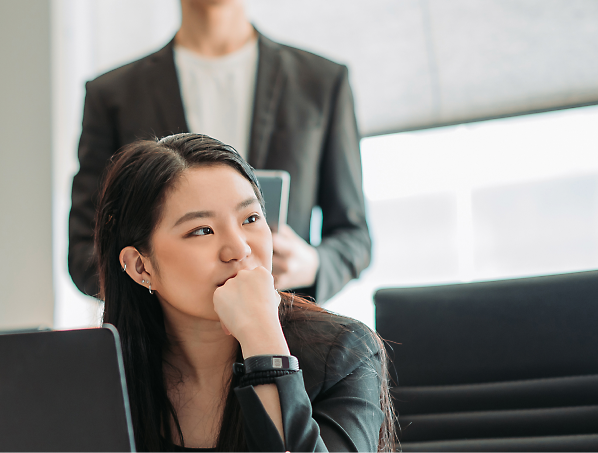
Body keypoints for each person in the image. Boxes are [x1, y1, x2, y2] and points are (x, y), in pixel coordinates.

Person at [95, 134, 394, 453]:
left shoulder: (344, 353)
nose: (239, 248)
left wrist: (263, 341)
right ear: (141, 267)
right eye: (202, 231)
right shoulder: (103, 381)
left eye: (250, 219)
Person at [69, 0, 370, 303]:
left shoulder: (320, 82)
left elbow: (354, 236)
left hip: (286, 330)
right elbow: (85, 249)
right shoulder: (113, 96)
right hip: (163, 341)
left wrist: (313, 265)